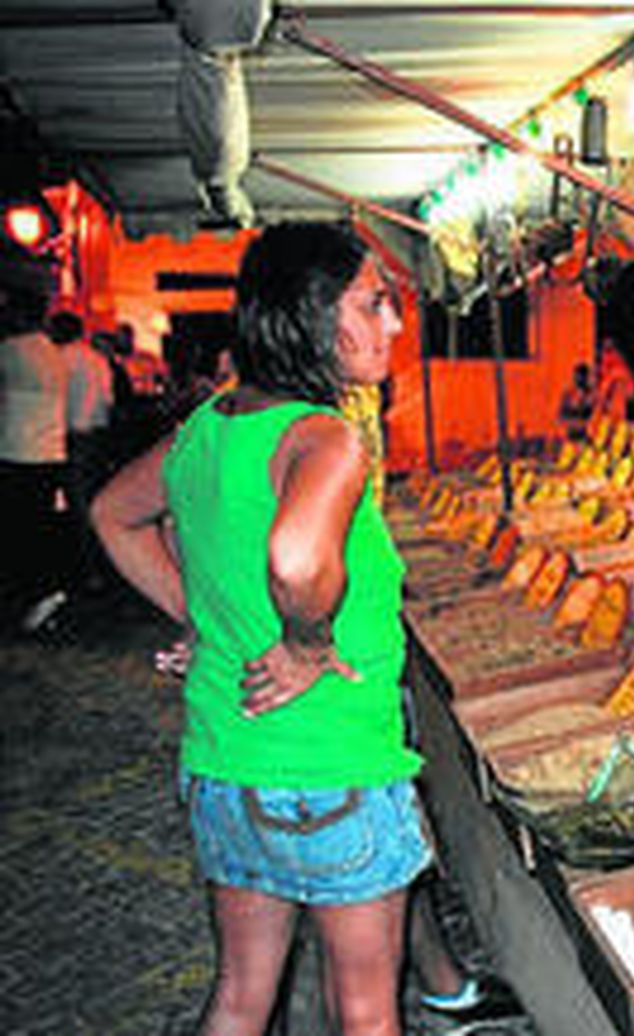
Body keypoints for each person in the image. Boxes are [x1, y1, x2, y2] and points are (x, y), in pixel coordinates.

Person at [92, 222, 430, 1036]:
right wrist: (308, 644)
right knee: (366, 1012)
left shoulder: (209, 426)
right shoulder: (324, 437)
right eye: (373, 303)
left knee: (241, 998)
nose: (393, 323)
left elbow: (113, 514)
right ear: (312, 314)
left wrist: (201, 615)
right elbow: (296, 556)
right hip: (334, 764)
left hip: (226, 763)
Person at [1, 283, 69, 632]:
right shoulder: (55, 353)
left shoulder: (11, 350)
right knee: (42, 527)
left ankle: (34, 594)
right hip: (51, 450)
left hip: (18, 451)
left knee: (20, 530)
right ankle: (47, 591)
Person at [53, 310, 115, 592]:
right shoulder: (98, 359)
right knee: (94, 500)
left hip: (71, 436)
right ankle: (104, 567)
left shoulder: (59, 358)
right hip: (98, 437)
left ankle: (87, 571)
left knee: (76, 505)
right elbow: (108, 400)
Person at [557, 361, 595, 441]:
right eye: (577, 376)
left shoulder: (591, 394)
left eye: (582, 376)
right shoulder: (568, 393)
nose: (579, 379)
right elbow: (560, 416)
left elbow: (593, 416)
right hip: (569, 433)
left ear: (586, 377)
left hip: (585, 435)